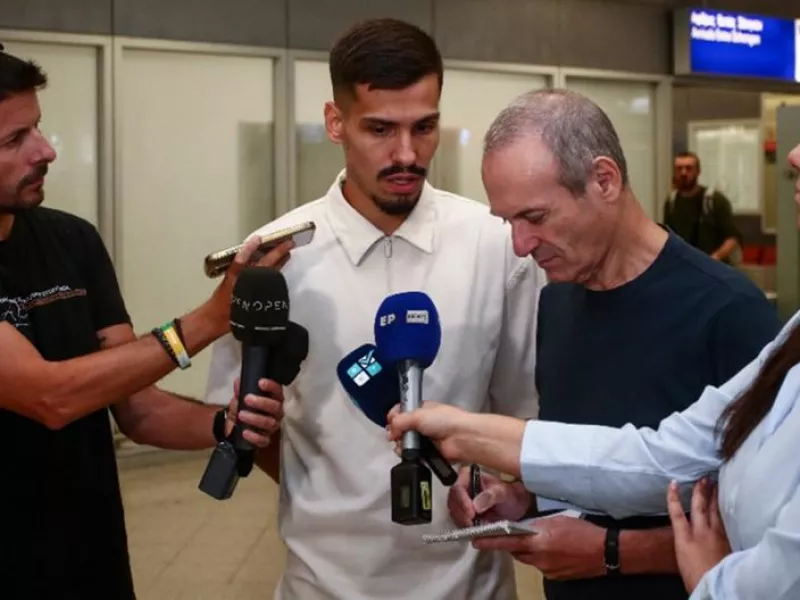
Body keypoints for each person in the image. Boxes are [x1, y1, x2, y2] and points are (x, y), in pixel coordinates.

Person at [204, 18, 544, 600]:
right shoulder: (275, 259)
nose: (406, 154)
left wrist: (507, 489)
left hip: (471, 585)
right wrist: (321, 495)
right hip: (322, 585)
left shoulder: (497, 246)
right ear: (335, 122)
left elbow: (528, 420)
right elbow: (241, 421)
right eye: (380, 129)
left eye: (424, 127)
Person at [384, 141, 800, 600]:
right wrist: (520, 487)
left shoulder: (730, 309)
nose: (519, 246)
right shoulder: (556, 300)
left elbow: (747, 542)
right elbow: (658, 458)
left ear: (604, 181)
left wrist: (614, 552)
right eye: (509, 222)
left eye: (535, 217)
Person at [0, 46, 291, 599]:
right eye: (15, 140)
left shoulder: (72, 241)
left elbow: (137, 407)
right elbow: (51, 396)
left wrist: (225, 425)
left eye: (37, 127)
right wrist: (211, 318)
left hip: (90, 562)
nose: (46, 150)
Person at [663, 152, 741, 264]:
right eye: (679, 168)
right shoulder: (671, 202)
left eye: (689, 168)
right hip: (684, 266)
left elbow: (732, 238)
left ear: (698, 171)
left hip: (712, 267)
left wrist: (714, 258)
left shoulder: (714, 200)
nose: (683, 173)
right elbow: (667, 236)